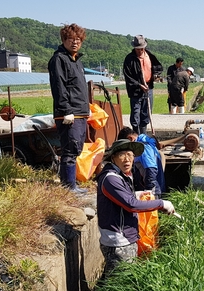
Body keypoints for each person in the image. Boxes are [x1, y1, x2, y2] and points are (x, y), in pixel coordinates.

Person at [96, 139, 175, 276]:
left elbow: (125, 199)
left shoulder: (122, 176)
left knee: (114, 279)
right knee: (119, 280)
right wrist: (161, 204)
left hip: (124, 238)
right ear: (113, 158)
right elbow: (131, 205)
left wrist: (137, 194)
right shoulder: (111, 179)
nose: (127, 159)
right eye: (122, 155)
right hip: (119, 242)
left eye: (130, 155)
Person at [48, 23, 90, 194]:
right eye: (71, 39)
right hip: (69, 113)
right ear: (64, 40)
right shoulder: (59, 59)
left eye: (78, 39)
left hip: (80, 112)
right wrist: (66, 110)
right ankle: (69, 187)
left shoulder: (76, 60)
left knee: (76, 149)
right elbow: (59, 87)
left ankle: (71, 184)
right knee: (69, 150)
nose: (75, 42)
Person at [123, 35, 163, 134]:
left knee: (145, 115)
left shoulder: (150, 55)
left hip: (148, 89)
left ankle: (143, 136)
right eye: (137, 49)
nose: (139, 51)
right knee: (136, 115)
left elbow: (158, 67)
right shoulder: (129, 59)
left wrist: (155, 75)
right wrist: (139, 85)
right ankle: (136, 137)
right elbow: (128, 76)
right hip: (136, 92)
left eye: (141, 48)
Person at [117, 127, 166, 198]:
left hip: (152, 190)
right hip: (155, 187)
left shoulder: (143, 147)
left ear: (130, 139)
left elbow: (150, 169)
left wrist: (149, 190)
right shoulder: (147, 143)